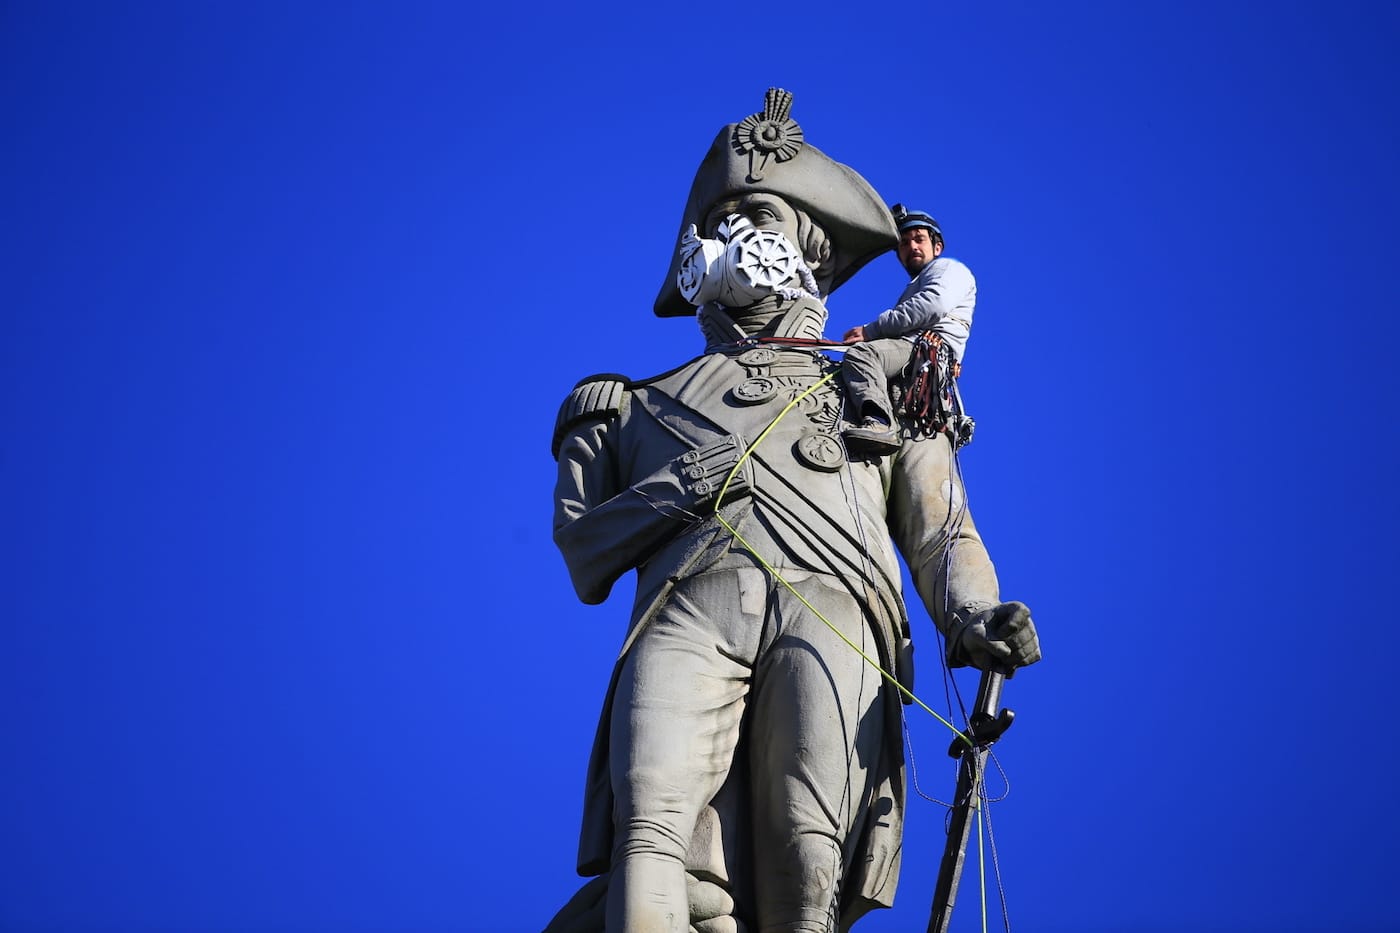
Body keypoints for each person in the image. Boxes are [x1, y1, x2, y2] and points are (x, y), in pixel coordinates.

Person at [546, 89, 1039, 933]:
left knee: (807, 860)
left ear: (809, 241)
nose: (731, 234)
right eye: (717, 219)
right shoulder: (626, 405)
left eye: (756, 212)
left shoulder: (880, 385)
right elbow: (585, 552)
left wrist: (974, 615)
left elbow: (940, 526)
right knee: (652, 819)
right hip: (685, 611)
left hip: (840, 609)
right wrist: (675, 490)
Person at [841, 206, 976, 455]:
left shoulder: (947, 268)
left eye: (919, 239)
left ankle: (879, 424)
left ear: (937, 247)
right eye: (903, 243)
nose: (911, 246)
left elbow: (934, 304)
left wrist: (872, 331)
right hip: (921, 355)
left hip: (922, 349)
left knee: (862, 355)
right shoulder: (917, 283)